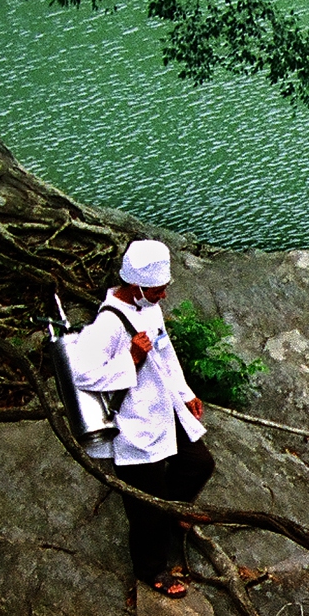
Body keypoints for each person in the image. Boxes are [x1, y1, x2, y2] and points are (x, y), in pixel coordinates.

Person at [67, 239, 215, 597]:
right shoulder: (109, 323)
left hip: (162, 407)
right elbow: (81, 373)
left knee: (198, 464)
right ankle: (151, 570)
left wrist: (186, 393)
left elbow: (166, 353)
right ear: (136, 286)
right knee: (145, 504)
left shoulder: (149, 307)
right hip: (132, 421)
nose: (163, 295)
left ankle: (174, 512)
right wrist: (129, 360)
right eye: (158, 289)